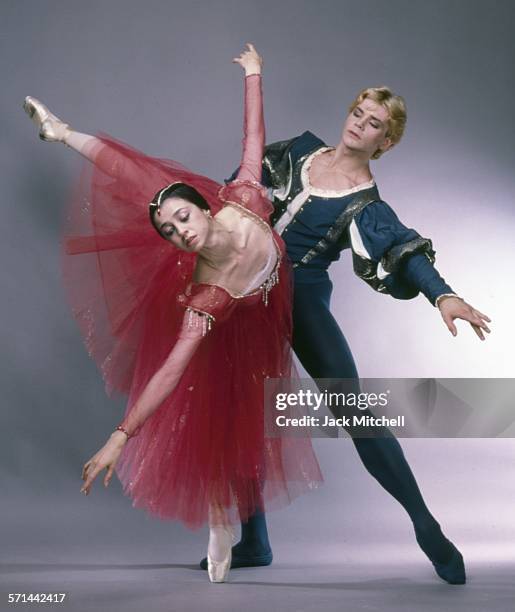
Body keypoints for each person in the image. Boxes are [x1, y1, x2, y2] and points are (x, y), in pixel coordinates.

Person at [23, 44, 322, 584]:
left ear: (206, 206)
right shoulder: (204, 296)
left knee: (147, 181)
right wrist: (120, 436)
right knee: (215, 412)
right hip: (234, 314)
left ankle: (62, 131)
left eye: (184, 218)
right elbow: (169, 370)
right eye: (172, 232)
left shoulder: (245, 197)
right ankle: (217, 517)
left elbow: (252, 137)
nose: (181, 232)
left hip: (266, 306)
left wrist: (254, 74)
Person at [199, 84, 492, 584]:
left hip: (301, 301)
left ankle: (426, 524)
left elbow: (404, 250)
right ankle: (254, 542)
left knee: (354, 409)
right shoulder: (298, 151)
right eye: (358, 113)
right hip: (247, 295)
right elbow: (240, 191)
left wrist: (443, 295)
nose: (359, 124)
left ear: (386, 141)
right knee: (239, 412)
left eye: (373, 123)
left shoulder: (364, 204)